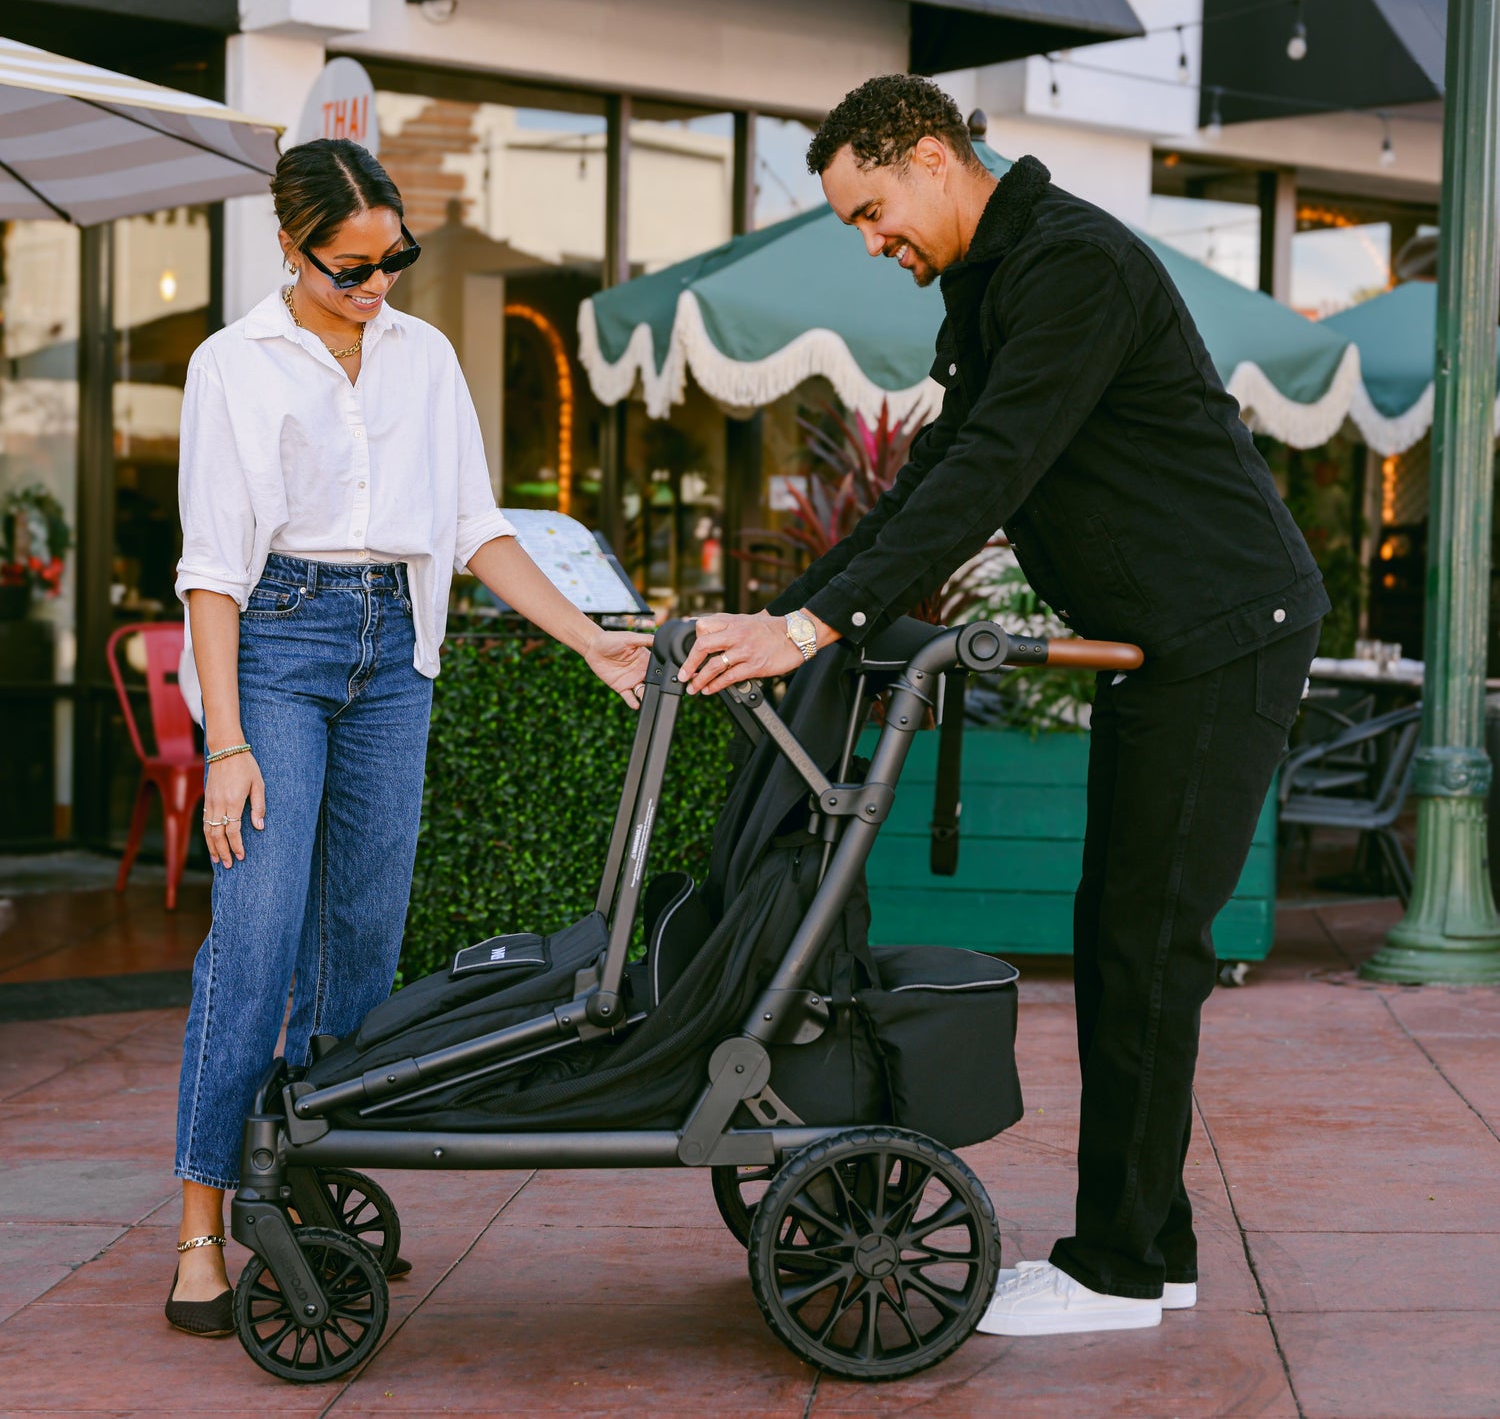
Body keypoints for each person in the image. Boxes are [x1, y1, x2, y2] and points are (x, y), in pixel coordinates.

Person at [677, 76, 1327, 1337]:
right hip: (1175, 648)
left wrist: (812, 627)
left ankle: (1119, 1273)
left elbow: (991, 467)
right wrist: (788, 621)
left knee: (1146, 948)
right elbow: (932, 472)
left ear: (928, 156)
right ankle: (1160, 1250)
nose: (874, 244)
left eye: (873, 211)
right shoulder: (995, 280)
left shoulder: (1073, 264)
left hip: (1224, 636)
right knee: (1123, 941)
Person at [167, 138, 651, 1336]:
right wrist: (226, 743)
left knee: (361, 944)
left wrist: (589, 639)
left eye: (396, 262)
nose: (377, 287)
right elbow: (213, 574)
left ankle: (314, 1202)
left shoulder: (424, 357)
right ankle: (201, 1228)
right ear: (290, 246)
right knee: (259, 931)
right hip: (275, 640)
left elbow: (474, 529)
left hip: (399, 652)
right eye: (350, 268)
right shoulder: (233, 363)